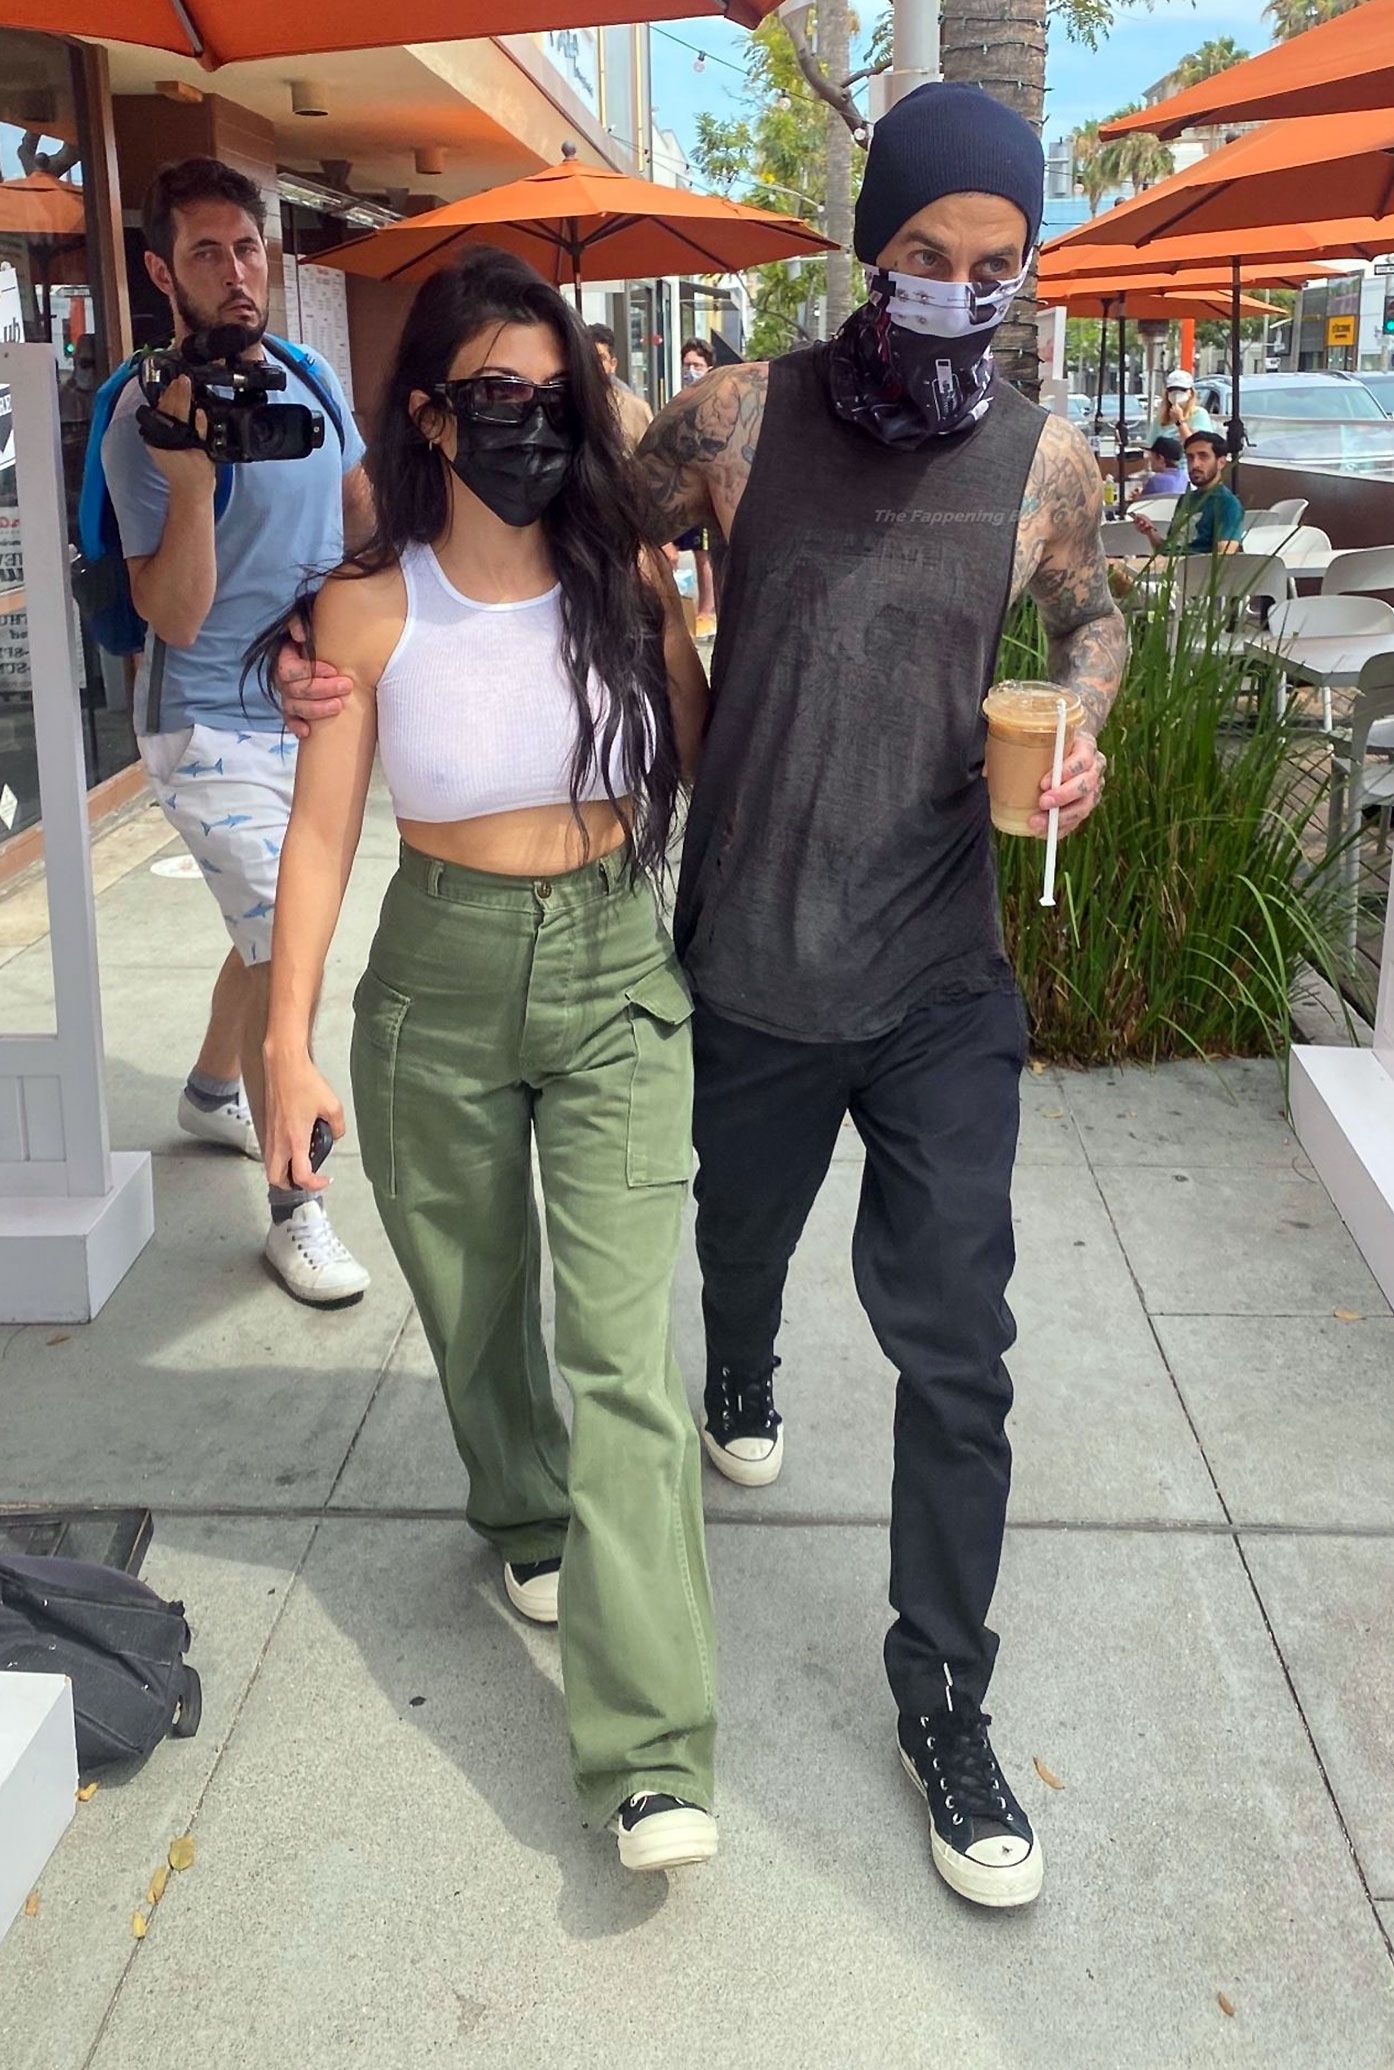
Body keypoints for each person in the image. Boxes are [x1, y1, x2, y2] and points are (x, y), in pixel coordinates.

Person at [275, 81, 1123, 1912]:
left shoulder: (1042, 459)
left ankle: (941, 1698)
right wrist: (332, 636)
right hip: (741, 958)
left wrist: (1083, 726)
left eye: (994, 261)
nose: (957, 286)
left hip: (938, 970)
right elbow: (553, 522)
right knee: (727, 1255)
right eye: (923, 251)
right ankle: (737, 1352)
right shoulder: (736, 420)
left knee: (956, 1346)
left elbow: (1092, 610)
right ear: (870, 249)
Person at [255, 247, 719, 1874]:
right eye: (492, 395)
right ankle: (522, 1513)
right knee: (474, 1313)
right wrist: (285, 1046)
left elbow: (705, 755)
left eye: (551, 393)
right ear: (430, 417)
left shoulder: (624, 579)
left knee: (619, 1355)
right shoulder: (365, 609)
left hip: (611, 973)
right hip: (435, 983)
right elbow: (321, 838)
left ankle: (650, 1753)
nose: (527, 422)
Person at [102, 156, 373, 1305]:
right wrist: (190, 480)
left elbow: (359, 515)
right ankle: (295, 1206)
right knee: (283, 942)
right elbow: (172, 613)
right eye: (205, 252)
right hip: (205, 718)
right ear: (163, 271)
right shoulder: (144, 416)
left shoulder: (310, 377)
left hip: (306, 710)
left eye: (247, 247)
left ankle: (213, 1090)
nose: (235, 270)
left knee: (270, 928)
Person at [1130, 429, 1242, 557]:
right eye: (1190, 458)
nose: (1195, 464)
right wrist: (1151, 532)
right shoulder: (1186, 499)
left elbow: (1224, 559)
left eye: (1203, 456)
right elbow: (1168, 551)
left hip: (1194, 569)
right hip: (1170, 567)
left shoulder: (1227, 504)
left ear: (1221, 462)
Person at [676, 337, 718, 636]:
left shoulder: (715, 404)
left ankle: (706, 611)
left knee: (704, 556)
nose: (691, 371)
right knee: (680, 551)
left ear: (709, 368)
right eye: (687, 365)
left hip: (706, 494)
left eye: (697, 365)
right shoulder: (679, 403)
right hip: (682, 491)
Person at [587, 322, 652, 450]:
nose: (594, 364)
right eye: (589, 358)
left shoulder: (636, 410)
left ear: (613, 364)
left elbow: (652, 457)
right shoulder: (568, 407)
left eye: (601, 358)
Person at [1148, 367, 1213, 445]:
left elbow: (1197, 445)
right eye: (1172, 390)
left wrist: (1179, 421)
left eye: (1182, 389)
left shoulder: (1199, 414)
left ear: (1190, 392)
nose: (1176, 393)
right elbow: (1151, 445)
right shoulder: (1161, 418)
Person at [1132, 431, 1187, 499]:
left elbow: (1142, 502)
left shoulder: (1155, 480)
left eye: (1151, 455)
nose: (1150, 459)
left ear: (1160, 458)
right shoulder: (1185, 477)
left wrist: (1137, 497)